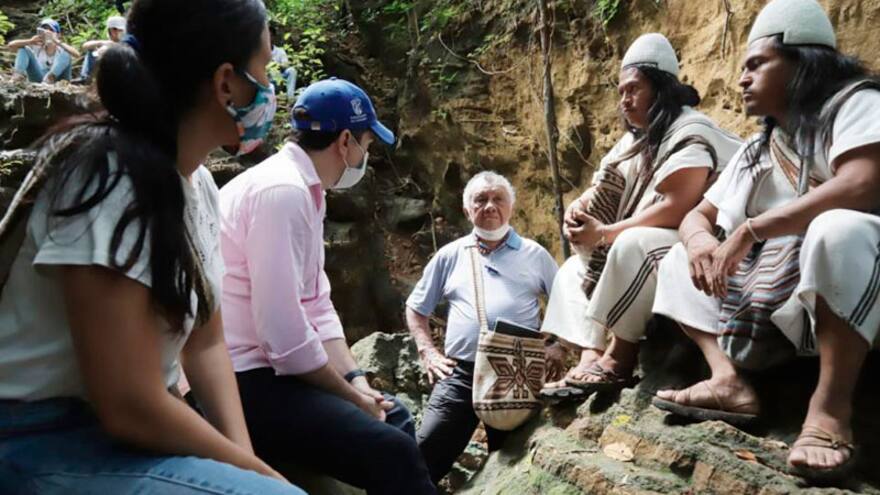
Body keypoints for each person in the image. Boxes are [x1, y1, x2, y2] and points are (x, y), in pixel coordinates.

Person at [0, 0, 305, 493]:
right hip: (35, 434)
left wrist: (244, 461)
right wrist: (261, 479)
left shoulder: (198, 183)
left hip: (108, 433)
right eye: (265, 67)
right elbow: (130, 404)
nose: (269, 86)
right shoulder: (106, 178)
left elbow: (206, 342)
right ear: (226, 82)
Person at [650, 0, 880, 483]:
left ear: (802, 62)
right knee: (673, 256)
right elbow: (697, 215)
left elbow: (862, 184)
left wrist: (751, 229)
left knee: (836, 227)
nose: (742, 79)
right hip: (788, 293)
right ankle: (727, 379)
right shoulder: (759, 147)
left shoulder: (856, 103)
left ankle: (830, 410)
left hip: (858, 279)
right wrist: (698, 245)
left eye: (757, 64)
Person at [219, 77, 436, 495]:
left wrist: (357, 380)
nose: (365, 156)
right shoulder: (282, 193)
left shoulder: (306, 190)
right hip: (241, 381)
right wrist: (355, 400)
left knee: (397, 416)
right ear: (344, 142)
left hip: (270, 371)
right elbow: (283, 336)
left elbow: (316, 302)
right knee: (394, 450)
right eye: (367, 145)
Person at [539, 33, 742, 398]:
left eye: (633, 89)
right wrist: (579, 206)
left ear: (661, 89)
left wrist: (605, 233)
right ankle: (591, 354)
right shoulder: (636, 140)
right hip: (660, 236)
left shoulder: (691, 129)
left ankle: (620, 355)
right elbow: (603, 181)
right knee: (572, 269)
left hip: (703, 242)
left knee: (632, 244)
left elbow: (678, 207)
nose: (625, 100)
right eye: (621, 92)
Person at [406, 171, 559, 484]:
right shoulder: (450, 255)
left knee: (512, 464)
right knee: (424, 452)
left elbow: (565, 303)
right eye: (481, 199)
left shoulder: (535, 255)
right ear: (467, 210)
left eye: (497, 198)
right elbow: (415, 307)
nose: (490, 206)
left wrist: (557, 344)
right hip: (459, 373)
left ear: (511, 207)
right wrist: (427, 350)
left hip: (516, 374)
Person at [7, 19, 79, 83]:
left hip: (59, 80)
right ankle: (16, 77)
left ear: (58, 34)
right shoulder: (36, 47)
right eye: (45, 30)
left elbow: (77, 54)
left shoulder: (62, 49)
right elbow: (11, 45)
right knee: (24, 49)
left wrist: (56, 41)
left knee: (66, 53)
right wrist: (30, 41)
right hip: (39, 78)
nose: (47, 33)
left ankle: (49, 78)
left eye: (51, 30)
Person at [77, 15, 127, 82]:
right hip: (102, 72)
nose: (117, 32)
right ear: (110, 30)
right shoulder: (105, 43)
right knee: (92, 51)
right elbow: (84, 46)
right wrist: (102, 43)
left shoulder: (127, 42)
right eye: (114, 29)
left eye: (120, 30)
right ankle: (85, 78)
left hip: (120, 74)